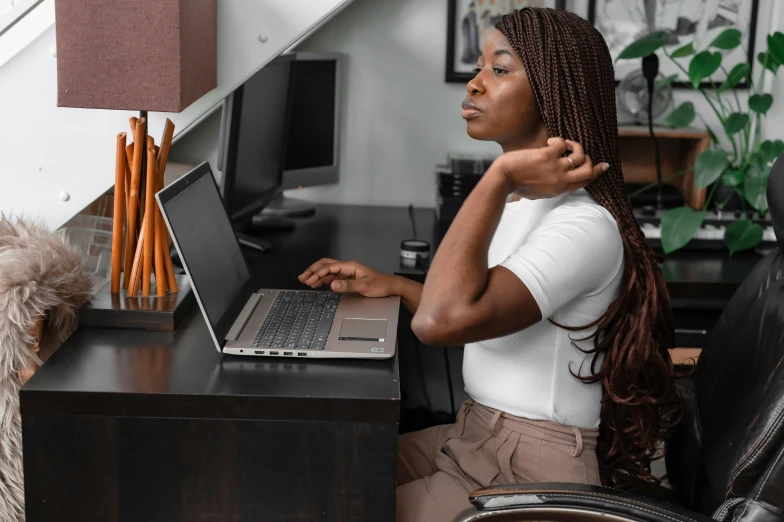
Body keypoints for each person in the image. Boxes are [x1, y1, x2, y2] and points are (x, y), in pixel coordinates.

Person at [299, 7, 681, 522]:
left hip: (530, 468)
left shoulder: (583, 227)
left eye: (499, 70)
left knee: (334, 507)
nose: (475, 84)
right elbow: (482, 310)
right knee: (313, 473)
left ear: (552, 91)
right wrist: (395, 285)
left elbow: (440, 322)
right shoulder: (522, 203)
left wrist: (497, 176)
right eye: (480, 67)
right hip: (475, 434)